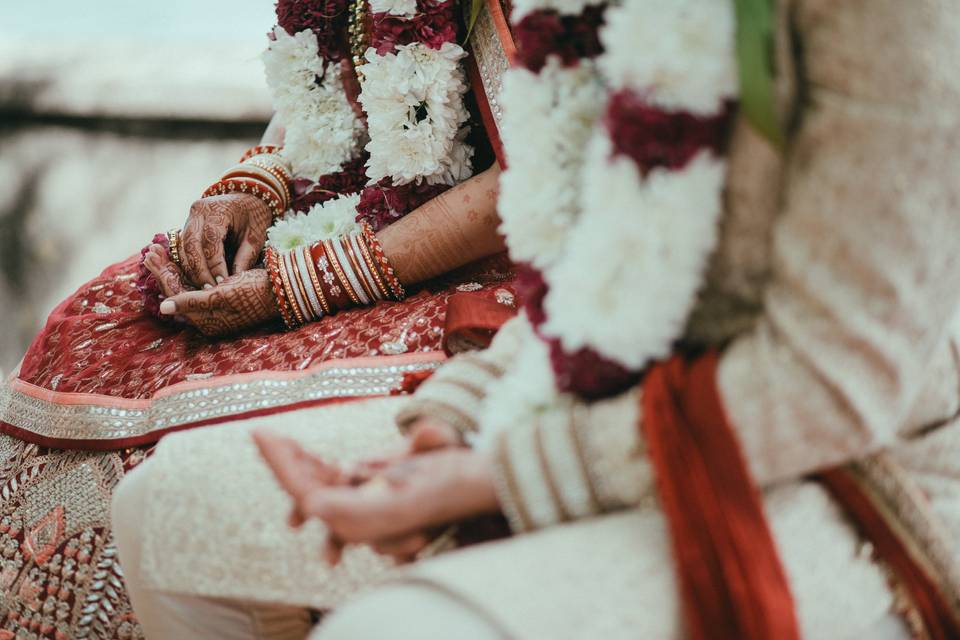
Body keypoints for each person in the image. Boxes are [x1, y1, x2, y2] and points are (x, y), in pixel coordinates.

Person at [117, 0, 960, 638]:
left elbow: (835, 385)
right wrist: (444, 431)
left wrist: (497, 476)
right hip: (601, 402)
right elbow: (590, 268)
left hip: (853, 479)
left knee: (396, 631)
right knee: (165, 509)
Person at [0, 0, 516, 635]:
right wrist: (255, 181)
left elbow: (526, 180)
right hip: (356, 225)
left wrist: (304, 282)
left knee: (164, 464)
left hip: (495, 273)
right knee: (93, 330)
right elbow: (317, 107)